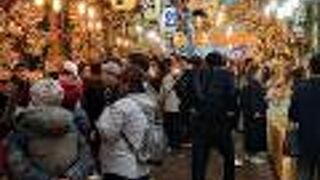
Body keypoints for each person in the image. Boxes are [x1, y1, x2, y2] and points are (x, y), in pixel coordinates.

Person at [7, 78, 95, 180]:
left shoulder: (24, 125)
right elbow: (86, 156)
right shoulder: (71, 123)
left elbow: (17, 162)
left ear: (34, 99)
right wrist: (71, 175)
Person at [97, 59, 151, 180]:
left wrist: (103, 116)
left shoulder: (122, 105)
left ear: (126, 83)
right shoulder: (149, 102)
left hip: (120, 165)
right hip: (142, 162)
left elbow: (108, 133)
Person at [191, 52, 237, 180]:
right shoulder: (228, 75)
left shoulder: (197, 74)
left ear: (206, 62)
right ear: (221, 62)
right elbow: (232, 96)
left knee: (199, 159)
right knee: (228, 156)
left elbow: (187, 93)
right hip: (220, 121)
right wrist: (230, 113)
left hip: (200, 122)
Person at [289, 53, 320, 180]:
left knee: (304, 175)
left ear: (310, 68)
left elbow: (293, 115)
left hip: (305, 140)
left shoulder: (300, 88)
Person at [241, 65, 268, 164]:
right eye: (260, 72)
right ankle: (253, 156)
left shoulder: (250, 83)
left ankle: (248, 154)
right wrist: (256, 112)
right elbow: (254, 100)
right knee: (254, 134)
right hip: (254, 114)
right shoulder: (254, 84)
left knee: (250, 133)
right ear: (255, 73)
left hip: (249, 114)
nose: (262, 73)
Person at [160, 58, 183, 150]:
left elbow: (164, 92)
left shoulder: (167, 78)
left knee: (170, 126)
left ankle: (172, 143)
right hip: (178, 105)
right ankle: (176, 143)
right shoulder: (180, 77)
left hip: (170, 106)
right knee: (176, 126)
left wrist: (160, 101)